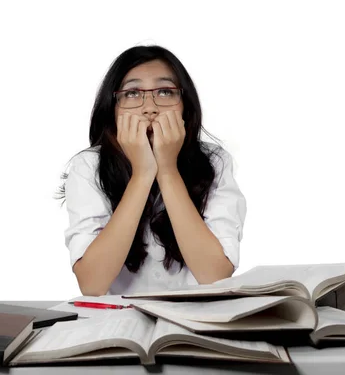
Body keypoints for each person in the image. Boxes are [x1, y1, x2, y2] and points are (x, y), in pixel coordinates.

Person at [60, 45, 247, 296]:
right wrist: (142, 174)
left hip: (194, 322)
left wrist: (168, 171)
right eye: (133, 93)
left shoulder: (215, 161)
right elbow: (92, 284)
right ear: (113, 108)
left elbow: (214, 275)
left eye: (165, 91)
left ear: (185, 106)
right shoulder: (88, 166)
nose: (150, 107)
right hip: (119, 324)